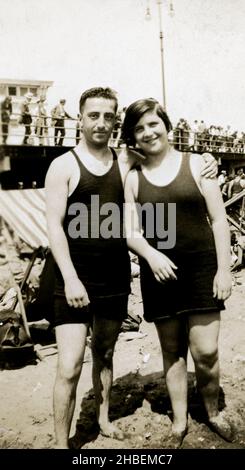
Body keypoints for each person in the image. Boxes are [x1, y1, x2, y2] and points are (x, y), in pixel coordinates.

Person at [45, 87, 218, 449]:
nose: (101, 123)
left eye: (109, 116)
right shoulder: (62, 166)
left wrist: (207, 157)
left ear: (115, 120)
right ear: (81, 118)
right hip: (71, 277)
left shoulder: (126, 160)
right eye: (94, 115)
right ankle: (61, 444)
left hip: (113, 277)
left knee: (105, 353)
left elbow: (164, 156)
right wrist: (72, 278)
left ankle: (104, 420)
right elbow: (54, 227)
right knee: (70, 364)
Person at [122, 98, 233, 448]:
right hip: (159, 276)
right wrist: (151, 256)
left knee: (206, 352)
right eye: (139, 128)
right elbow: (130, 232)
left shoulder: (199, 164)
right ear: (133, 138)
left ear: (167, 126)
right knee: (172, 351)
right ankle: (180, 421)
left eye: (153, 124)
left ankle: (213, 412)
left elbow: (219, 222)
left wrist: (224, 270)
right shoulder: (133, 179)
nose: (148, 132)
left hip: (202, 271)